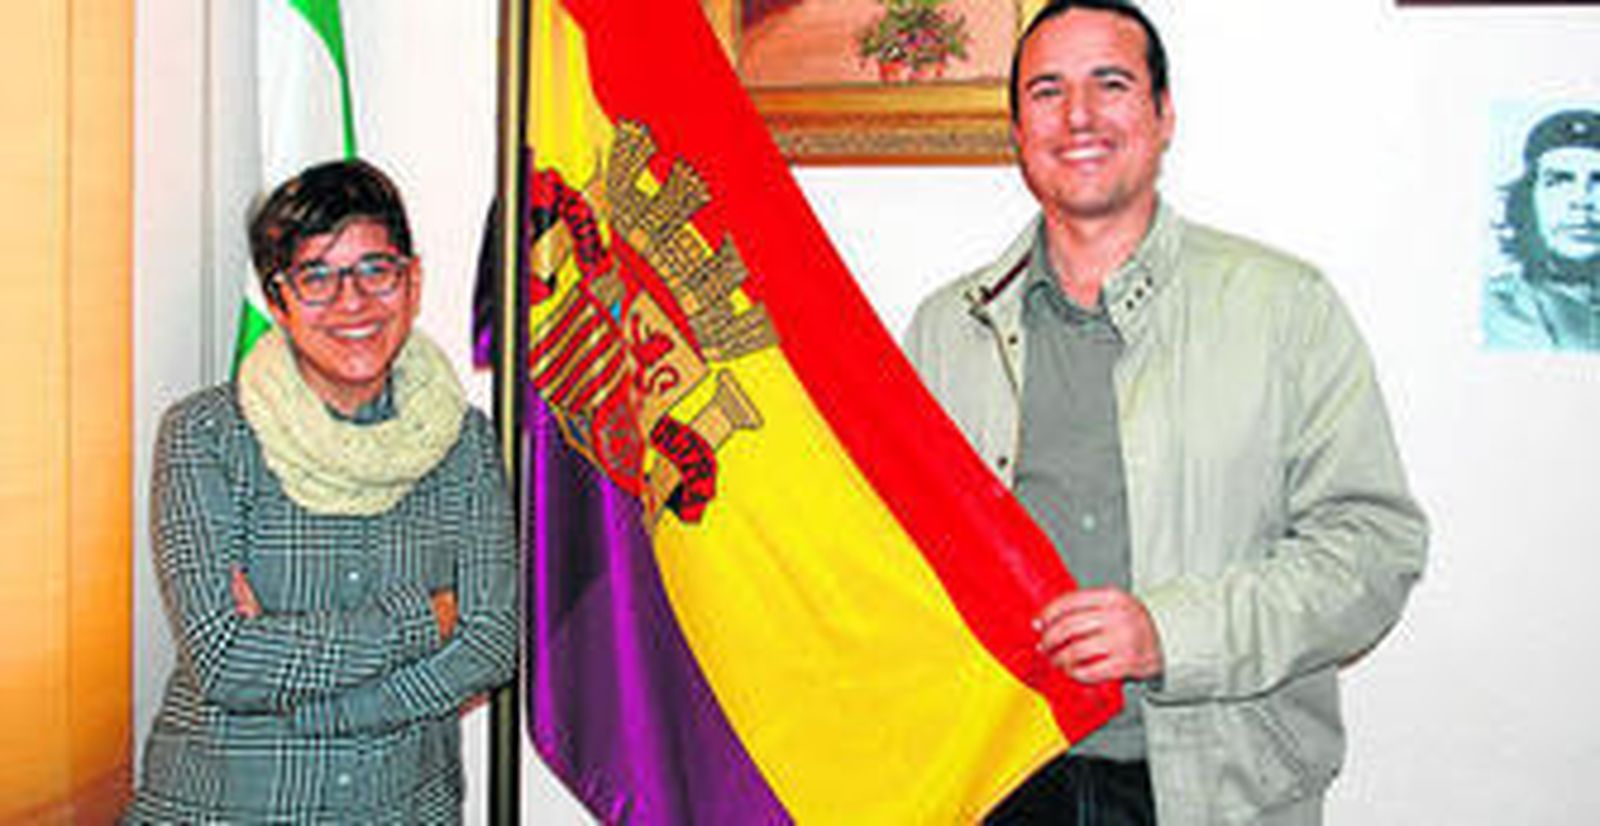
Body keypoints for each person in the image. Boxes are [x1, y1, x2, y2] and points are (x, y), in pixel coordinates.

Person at [902, 2, 1428, 822]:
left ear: (1163, 114)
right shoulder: (945, 328)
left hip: (1216, 791)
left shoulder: (1285, 308)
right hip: (999, 785)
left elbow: (1372, 552)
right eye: (1047, 91)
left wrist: (1170, 635)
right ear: (1016, 129)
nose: (1078, 116)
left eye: (1110, 84)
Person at [126, 159, 518, 823]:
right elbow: (225, 661)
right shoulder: (207, 437)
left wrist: (325, 699)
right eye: (316, 277)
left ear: (413, 280)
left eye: (376, 269)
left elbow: (490, 644)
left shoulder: (464, 444)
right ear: (277, 301)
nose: (353, 302)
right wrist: (428, 618)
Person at [1484, 108, 1600, 350]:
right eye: (1559, 181)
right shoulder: (1495, 312)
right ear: (1528, 201)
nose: (1582, 201)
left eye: (1598, 181)